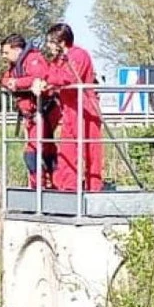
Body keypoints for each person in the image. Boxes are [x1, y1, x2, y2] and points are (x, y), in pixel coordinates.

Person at [42, 22, 106, 193]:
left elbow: (68, 78)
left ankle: (94, 187)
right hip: (70, 109)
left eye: (51, 42)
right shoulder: (59, 60)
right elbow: (55, 76)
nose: (48, 46)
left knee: (90, 149)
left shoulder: (79, 55)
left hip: (85, 107)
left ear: (61, 42)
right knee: (68, 149)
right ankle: (68, 186)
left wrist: (46, 79)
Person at [0, 34, 59, 188]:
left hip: (43, 111)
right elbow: (4, 79)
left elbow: (39, 78)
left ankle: (40, 188)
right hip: (32, 115)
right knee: (46, 150)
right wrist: (11, 82)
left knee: (32, 154)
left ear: (17, 49)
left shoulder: (33, 59)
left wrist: (17, 83)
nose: (4, 56)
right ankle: (50, 184)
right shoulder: (16, 65)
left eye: (6, 52)